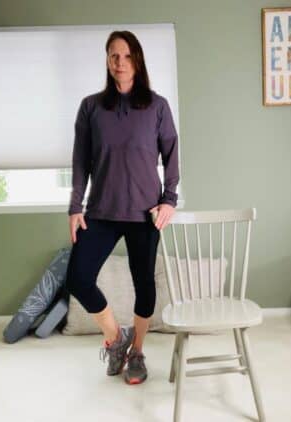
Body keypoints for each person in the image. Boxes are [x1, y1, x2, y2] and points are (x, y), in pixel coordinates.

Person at [64, 30, 180, 385]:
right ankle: (117, 339)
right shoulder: (91, 107)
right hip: (100, 211)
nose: (120, 62)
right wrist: (75, 206)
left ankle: (138, 352)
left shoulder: (157, 106)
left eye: (127, 56)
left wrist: (169, 200)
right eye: (113, 55)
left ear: (138, 60)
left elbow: (172, 154)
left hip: (145, 213)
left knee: (145, 286)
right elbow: (81, 159)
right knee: (78, 278)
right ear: (107, 60)